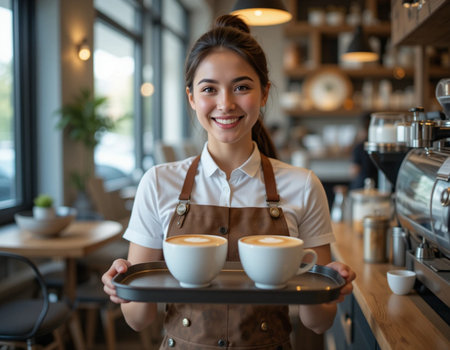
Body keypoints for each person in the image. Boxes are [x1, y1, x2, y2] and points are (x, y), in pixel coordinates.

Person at [102, 14, 356, 349]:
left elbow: (318, 322)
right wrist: (123, 285)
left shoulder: (303, 185)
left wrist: (330, 288)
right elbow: (138, 320)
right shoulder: (158, 183)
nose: (226, 104)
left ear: (264, 94)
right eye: (209, 89)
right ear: (191, 97)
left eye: (242, 87)